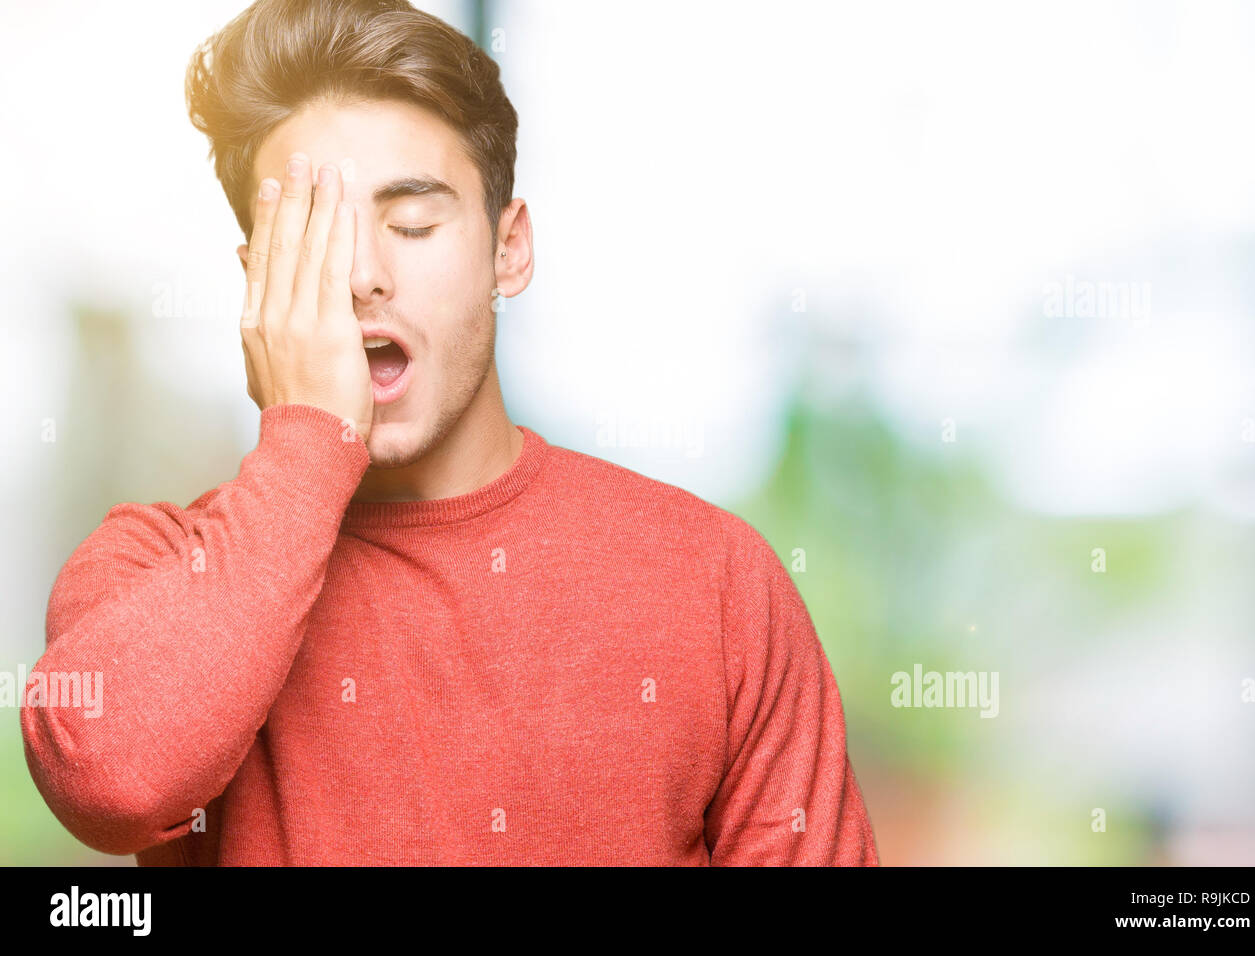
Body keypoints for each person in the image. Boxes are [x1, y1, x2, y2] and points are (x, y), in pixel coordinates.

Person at [20, 0, 879, 866]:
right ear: (257, 285)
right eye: (313, 244)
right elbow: (113, 782)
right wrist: (309, 436)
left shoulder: (716, 583)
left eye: (413, 225)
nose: (361, 276)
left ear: (510, 250)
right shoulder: (152, 569)